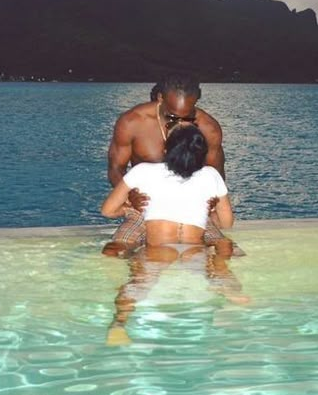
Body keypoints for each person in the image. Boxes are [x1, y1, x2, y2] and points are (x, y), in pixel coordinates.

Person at [101, 124, 246, 344]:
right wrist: (213, 208)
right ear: (202, 155)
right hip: (194, 249)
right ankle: (235, 297)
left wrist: (129, 208)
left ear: (166, 149)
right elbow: (226, 223)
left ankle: (119, 323)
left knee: (138, 283)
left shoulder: (143, 172)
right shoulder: (211, 175)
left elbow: (107, 211)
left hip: (158, 249)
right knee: (219, 276)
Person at [102, 73, 237, 257]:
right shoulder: (132, 122)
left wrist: (213, 201)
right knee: (115, 250)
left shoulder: (208, 128)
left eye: (187, 117)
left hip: (192, 208)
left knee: (224, 248)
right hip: (144, 207)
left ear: (196, 101)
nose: (181, 123)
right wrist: (129, 197)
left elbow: (217, 174)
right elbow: (115, 167)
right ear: (160, 98)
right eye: (173, 116)